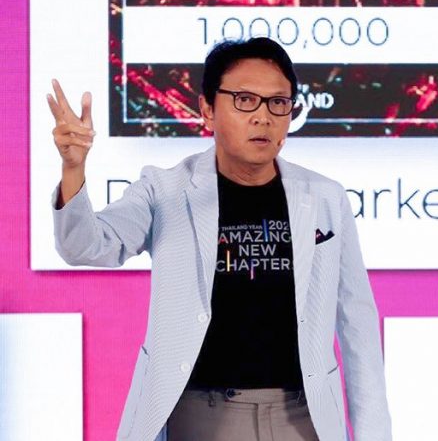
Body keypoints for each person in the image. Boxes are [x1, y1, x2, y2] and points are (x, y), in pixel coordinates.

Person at [48, 37, 391, 441]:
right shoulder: (165, 190)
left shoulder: (325, 197)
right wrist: (73, 169)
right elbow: (86, 245)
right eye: (245, 100)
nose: (263, 117)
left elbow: (357, 324)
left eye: (278, 103)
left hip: (304, 416)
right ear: (208, 108)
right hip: (200, 414)